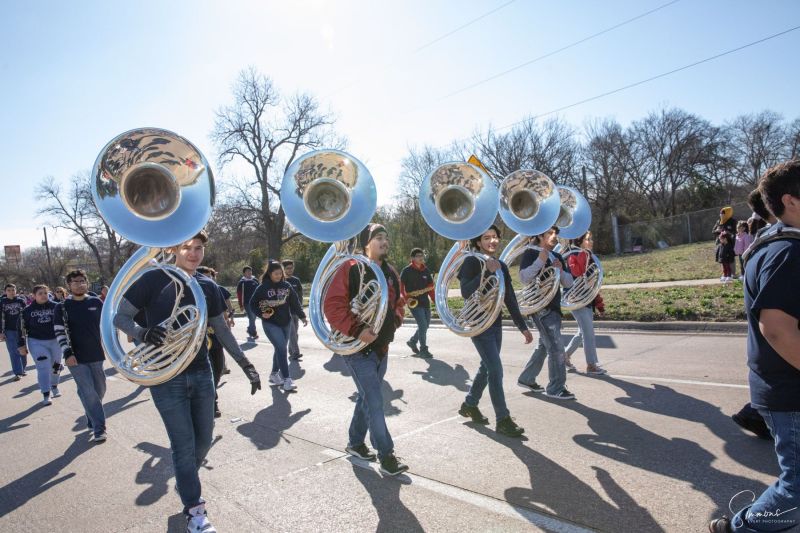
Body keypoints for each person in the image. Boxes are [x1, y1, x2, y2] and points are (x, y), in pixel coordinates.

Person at [113, 230, 262, 533]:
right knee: (183, 445)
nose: (194, 254)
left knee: (204, 440)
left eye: (199, 249)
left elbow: (221, 330)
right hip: (166, 377)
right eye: (187, 248)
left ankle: (185, 481)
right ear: (173, 249)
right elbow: (120, 317)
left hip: (201, 371)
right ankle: (195, 510)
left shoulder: (207, 285)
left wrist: (246, 364)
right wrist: (143, 333)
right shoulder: (152, 279)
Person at [710, 161, 800, 532]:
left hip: (784, 388)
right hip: (790, 392)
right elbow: (777, 328)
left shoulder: (781, 244)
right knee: (797, 493)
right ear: (791, 201)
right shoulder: (787, 253)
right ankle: (739, 528)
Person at [324, 223, 408, 475]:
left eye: (386, 237)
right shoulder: (350, 268)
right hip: (356, 348)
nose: (384, 241)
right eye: (378, 237)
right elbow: (333, 306)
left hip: (381, 347)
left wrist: (395, 320)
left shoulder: (391, 271)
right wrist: (359, 330)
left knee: (365, 397)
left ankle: (355, 443)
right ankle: (386, 454)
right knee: (374, 400)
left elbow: (399, 301)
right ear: (366, 244)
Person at [457, 225, 533, 437]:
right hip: (479, 324)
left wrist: (522, 326)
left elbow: (509, 298)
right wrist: (485, 272)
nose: (492, 241)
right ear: (478, 242)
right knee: (496, 370)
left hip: (495, 323)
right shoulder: (472, 261)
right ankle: (503, 419)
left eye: (495, 237)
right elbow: (465, 291)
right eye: (487, 238)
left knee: (487, 367)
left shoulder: (501, 265)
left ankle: (470, 404)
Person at [731, 189, 777, 441]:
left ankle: (757, 410)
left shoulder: (766, 240)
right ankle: (757, 411)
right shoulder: (775, 243)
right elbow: (775, 328)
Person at [517, 225, 576, 400]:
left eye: (555, 233)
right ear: (540, 236)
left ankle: (527, 379)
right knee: (557, 348)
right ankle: (556, 388)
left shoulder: (557, 256)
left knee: (545, 346)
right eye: (550, 233)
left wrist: (559, 270)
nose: (554, 236)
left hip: (554, 306)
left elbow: (569, 283)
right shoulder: (531, 253)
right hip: (541, 308)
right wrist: (540, 261)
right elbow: (523, 278)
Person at [53, 270, 108, 443]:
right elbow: (59, 332)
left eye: (82, 280)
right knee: (89, 392)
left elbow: (105, 325)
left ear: (87, 282)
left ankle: (91, 415)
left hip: (96, 354)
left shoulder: (96, 302)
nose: (79, 284)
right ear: (69, 285)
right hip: (75, 357)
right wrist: (67, 353)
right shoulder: (61, 307)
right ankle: (99, 429)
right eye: (75, 282)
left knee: (99, 390)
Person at [250, 261, 307, 392]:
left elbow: (294, 302)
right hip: (270, 323)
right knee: (281, 348)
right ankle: (287, 379)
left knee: (279, 348)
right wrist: (261, 313)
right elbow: (253, 303)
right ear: (269, 274)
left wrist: (302, 315)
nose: (279, 275)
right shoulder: (263, 287)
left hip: (286, 322)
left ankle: (274, 374)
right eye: (276, 273)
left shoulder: (286, 285)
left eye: (280, 273)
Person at [563, 232, 607, 375]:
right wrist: (584, 254)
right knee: (588, 333)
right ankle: (591, 365)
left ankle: (564, 356)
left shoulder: (590, 258)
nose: (591, 242)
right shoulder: (572, 256)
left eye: (591, 239)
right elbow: (577, 272)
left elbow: (593, 286)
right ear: (580, 241)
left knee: (583, 331)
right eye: (588, 239)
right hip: (576, 300)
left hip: (586, 300)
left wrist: (600, 305)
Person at [195, 266, 234, 418]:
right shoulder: (192, 293)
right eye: (203, 277)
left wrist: (227, 323)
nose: (207, 280)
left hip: (216, 339)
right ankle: (212, 404)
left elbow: (224, 314)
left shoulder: (216, 291)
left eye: (209, 277)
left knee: (217, 371)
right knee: (208, 373)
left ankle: (209, 397)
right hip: (199, 343)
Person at [17, 285, 63, 405]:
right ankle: (46, 393)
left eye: (45, 293)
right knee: (43, 365)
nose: (43, 295)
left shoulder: (56, 307)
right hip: (36, 341)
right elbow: (21, 329)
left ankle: (54, 385)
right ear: (34, 296)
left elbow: (65, 323)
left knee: (56, 365)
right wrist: (21, 345)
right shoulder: (27, 311)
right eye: (40, 293)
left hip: (55, 340)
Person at [400, 248, 435, 358]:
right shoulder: (406, 271)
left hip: (425, 302)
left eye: (422, 255)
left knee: (426, 325)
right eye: (418, 256)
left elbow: (430, 287)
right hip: (413, 302)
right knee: (423, 324)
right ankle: (423, 349)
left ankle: (413, 341)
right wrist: (406, 298)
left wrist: (435, 301)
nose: (421, 257)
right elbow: (400, 288)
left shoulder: (426, 270)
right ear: (412, 258)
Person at [0, 283, 29, 380]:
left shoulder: (21, 301)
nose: (11, 292)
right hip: (8, 330)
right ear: (5, 292)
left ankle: (23, 368)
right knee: (13, 351)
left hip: (21, 329)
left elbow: (27, 314)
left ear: (16, 291)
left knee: (22, 350)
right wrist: (1, 332)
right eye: (9, 290)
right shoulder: (2, 302)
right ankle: (17, 372)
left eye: (13, 290)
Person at [281, 259, 304, 361]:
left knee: (295, 332)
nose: (290, 270)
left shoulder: (296, 280)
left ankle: (291, 350)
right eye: (288, 268)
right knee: (292, 333)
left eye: (292, 268)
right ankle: (295, 352)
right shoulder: (282, 281)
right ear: (283, 269)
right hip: (286, 312)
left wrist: (300, 309)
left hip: (296, 311)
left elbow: (300, 295)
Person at [713, 207, 738, 277]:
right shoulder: (718, 221)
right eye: (720, 213)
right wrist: (717, 231)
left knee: (730, 257)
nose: (721, 215)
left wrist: (727, 232)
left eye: (723, 213)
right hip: (720, 243)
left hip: (729, 242)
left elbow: (735, 231)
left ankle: (733, 273)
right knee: (722, 257)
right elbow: (713, 231)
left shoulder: (733, 221)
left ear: (728, 213)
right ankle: (725, 273)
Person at [236, 266, 260, 340]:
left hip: (256, 303)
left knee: (253, 317)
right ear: (244, 273)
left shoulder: (255, 280)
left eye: (250, 271)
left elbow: (260, 290)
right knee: (252, 317)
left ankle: (250, 329)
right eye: (247, 271)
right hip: (247, 303)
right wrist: (241, 305)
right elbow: (239, 295)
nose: (249, 273)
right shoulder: (242, 282)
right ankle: (253, 333)